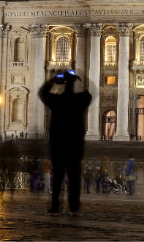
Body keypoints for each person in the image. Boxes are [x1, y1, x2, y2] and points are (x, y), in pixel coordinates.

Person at [38, 70, 92, 216]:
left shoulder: (56, 101)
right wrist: (81, 80)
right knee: (74, 178)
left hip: (58, 145)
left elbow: (42, 92)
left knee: (57, 178)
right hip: (75, 145)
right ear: (74, 84)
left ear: (63, 84)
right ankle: (74, 208)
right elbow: (90, 93)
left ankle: (55, 207)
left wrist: (53, 80)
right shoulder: (80, 100)